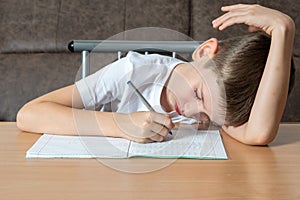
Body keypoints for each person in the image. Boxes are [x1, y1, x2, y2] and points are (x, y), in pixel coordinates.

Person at [17, 4, 295, 145]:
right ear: (203, 52)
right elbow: (30, 114)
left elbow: (258, 134)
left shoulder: (215, 107)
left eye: (207, 117)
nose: (190, 110)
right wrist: (120, 125)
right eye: (198, 94)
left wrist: (284, 30)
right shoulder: (133, 71)